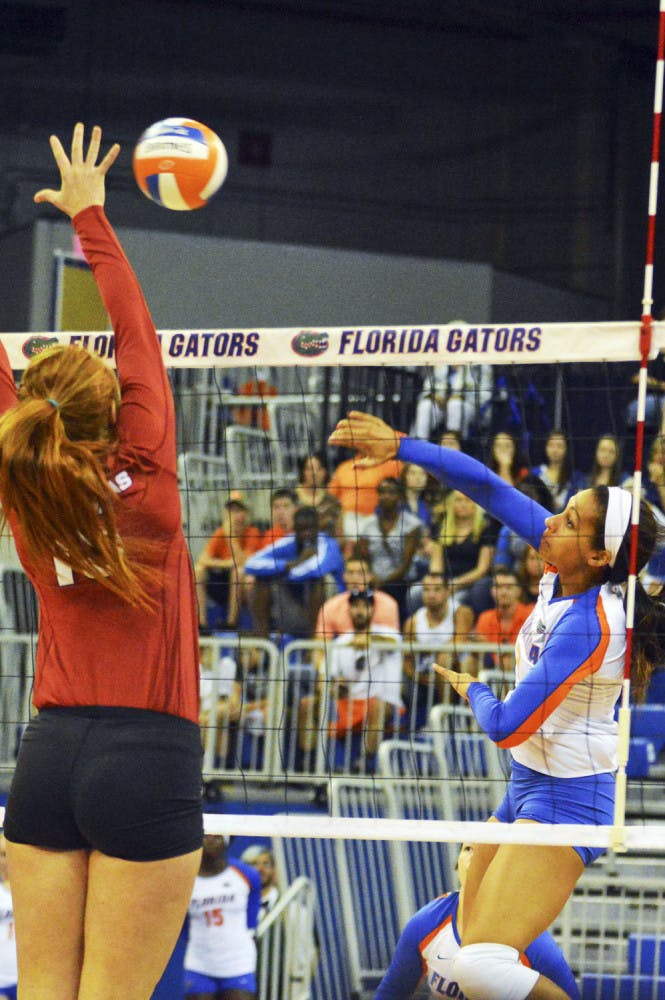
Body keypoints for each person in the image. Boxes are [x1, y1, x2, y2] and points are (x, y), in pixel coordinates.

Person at [329, 410, 665, 1000]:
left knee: (480, 966)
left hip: (571, 801)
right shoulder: (564, 566)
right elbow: (486, 485)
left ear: (596, 556)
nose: (550, 522)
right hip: (528, 782)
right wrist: (401, 446)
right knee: (467, 950)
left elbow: (508, 726)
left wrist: (474, 688)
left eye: (568, 520)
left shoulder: (591, 625)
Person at [0, 125, 203, 999]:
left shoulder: (25, 489)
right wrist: (91, 215)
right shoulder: (147, 477)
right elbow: (137, 329)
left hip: (46, 759)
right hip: (146, 760)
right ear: (111, 409)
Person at [374, 844, 580, 1000]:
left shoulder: (534, 942)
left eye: (489, 849)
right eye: (469, 848)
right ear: (457, 864)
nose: (476, 857)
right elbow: (392, 992)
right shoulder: (426, 923)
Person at [300, 589, 403, 762]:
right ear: (349, 610)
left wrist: (370, 640)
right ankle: (309, 763)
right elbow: (325, 678)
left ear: (372, 610)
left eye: (365, 606)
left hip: (378, 703)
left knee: (378, 706)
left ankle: (364, 762)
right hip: (348, 703)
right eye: (355, 606)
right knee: (307, 704)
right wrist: (334, 687)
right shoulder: (341, 642)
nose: (360, 611)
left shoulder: (388, 634)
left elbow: (393, 645)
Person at [244, 505, 344, 639]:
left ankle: (315, 643)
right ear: (294, 529)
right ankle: (262, 642)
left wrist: (284, 573)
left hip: (333, 611)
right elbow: (251, 564)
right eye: (301, 530)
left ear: (317, 528)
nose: (306, 534)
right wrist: (293, 563)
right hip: (295, 609)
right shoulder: (289, 541)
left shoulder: (328, 544)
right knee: (261, 580)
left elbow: (315, 570)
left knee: (320, 581)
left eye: (310, 529)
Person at [184, 834, 261, 1000]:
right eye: (205, 836)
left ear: (227, 842)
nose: (210, 841)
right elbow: (183, 925)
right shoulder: (185, 879)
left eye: (217, 837)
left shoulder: (246, 875)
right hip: (199, 963)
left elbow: (252, 921)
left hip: (238, 963)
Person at [402, 572, 474, 724]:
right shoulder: (413, 622)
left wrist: (428, 650)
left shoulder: (461, 612)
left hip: (457, 670)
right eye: (427, 590)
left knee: (445, 658)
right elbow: (406, 660)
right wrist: (420, 677)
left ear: (448, 591)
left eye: (436, 589)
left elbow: (458, 644)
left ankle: (451, 719)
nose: (431, 595)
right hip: (424, 675)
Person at [195, 492, 264, 629]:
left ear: (245, 514)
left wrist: (231, 536)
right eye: (231, 510)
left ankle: (231, 622)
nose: (234, 515)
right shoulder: (221, 532)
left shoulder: (252, 532)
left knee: (238, 571)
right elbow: (202, 558)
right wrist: (226, 563)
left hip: (243, 586)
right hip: (222, 583)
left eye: (238, 510)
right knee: (198, 570)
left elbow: (245, 561)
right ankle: (201, 623)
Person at [357, 477, 423, 619]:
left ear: (399, 496)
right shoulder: (368, 525)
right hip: (372, 580)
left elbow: (406, 564)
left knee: (393, 590)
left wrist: (383, 582)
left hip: (402, 580)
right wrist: (372, 577)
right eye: (382, 492)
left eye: (391, 492)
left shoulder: (412, 524)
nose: (386, 496)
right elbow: (364, 558)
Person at [314, 555, 400, 642]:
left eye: (360, 573)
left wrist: (367, 640)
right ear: (344, 576)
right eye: (351, 573)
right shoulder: (330, 607)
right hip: (344, 653)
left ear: (370, 576)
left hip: (379, 654)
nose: (355, 578)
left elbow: (393, 642)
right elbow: (321, 644)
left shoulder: (388, 604)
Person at [464, 568, 533, 675]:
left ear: (519, 591)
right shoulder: (485, 617)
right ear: (492, 591)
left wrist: (488, 647)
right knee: (470, 662)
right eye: (499, 587)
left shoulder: (530, 615)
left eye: (509, 587)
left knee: (507, 662)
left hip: (524, 669)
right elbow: (481, 651)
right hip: (492, 666)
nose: (503, 592)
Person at [411, 358, 493, 442]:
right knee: (426, 406)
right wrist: (434, 395)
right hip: (443, 404)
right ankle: (419, 445)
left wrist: (461, 396)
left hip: (471, 406)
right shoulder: (442, 359)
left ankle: (453, 447)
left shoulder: (481, 362)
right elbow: (429, 385)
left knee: (455, 405)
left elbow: (485, 395)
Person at [531, 430, 582, 512]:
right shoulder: (535, 473)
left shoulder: (575, 477)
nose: (555, 450)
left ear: (567, 449)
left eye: (559, 446)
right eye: (551, 445)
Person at [240, 845, 280, 923]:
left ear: (274, 870)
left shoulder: (291, 906)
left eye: (266, 864)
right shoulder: (237, 907)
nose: (260, 869)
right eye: (254, 865)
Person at [0, 836, 17, 1000]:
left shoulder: (33, 890)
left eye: (8, 854)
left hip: (26, 977)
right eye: (2, 855)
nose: (6, 860)